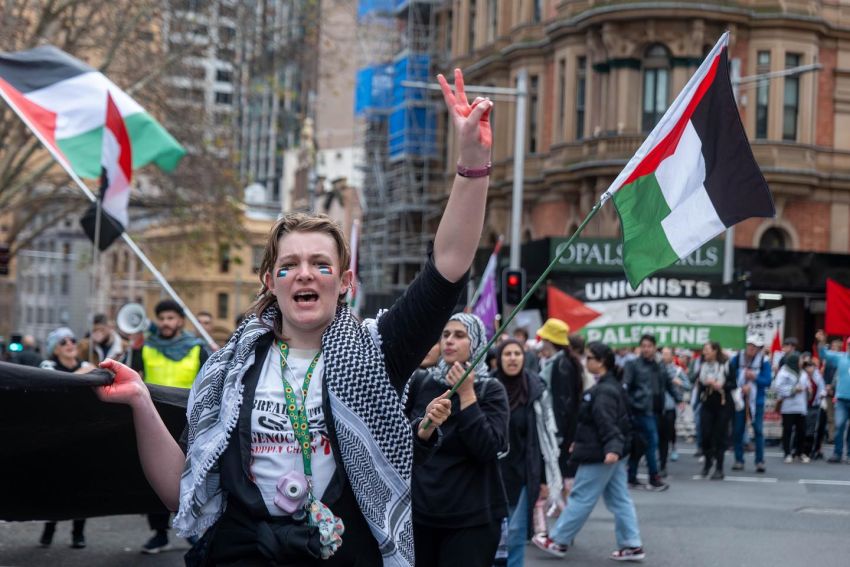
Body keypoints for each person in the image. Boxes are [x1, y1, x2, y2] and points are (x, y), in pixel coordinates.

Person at [94, 68, 492, 567]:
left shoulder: (376, 352)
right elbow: (181, 492)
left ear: (344, 282)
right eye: (290, 265)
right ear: (270, 281)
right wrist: (138, 402)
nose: (306, 275)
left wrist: (473, 164)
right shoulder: (229, 368)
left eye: (321, 264)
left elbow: (448, 265)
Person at [405, 313, 509, 567]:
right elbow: (406, 444)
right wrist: (425, 427)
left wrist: (466, 395)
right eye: (446, 335)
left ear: (476, 343)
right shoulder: (422, 382)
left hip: (472, 518)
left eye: (460, 335)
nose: (450, 341)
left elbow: (488, 448)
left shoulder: (490, 389)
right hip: (422, 514)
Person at [532, 342, 644, 562]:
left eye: (590, 357)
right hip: (608, 451)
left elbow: (607, 423)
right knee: (619, 499)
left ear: (600, 362)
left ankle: (558, 540)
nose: (586, 361)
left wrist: (611, 448)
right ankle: (632, 544)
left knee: (581, 497)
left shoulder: (603, 391)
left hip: (601, 453)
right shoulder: (610, 386)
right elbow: (606, 423)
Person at [129, 298, 209, 554]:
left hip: (189, 423)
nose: (166, 323)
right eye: (162, 318)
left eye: (171, 318)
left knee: (192, 480)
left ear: (180, 321)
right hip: (154, 422)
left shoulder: (198, 348)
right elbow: (132, 375)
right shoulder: (145, 348)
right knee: (154, 480)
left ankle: (193, 531)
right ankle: (159, 534)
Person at [493, 339, 561, 567]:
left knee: (515, 533)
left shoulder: (535, 390)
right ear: (499, 359)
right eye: (507, 354)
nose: (512, 358)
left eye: (517, 354)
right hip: (491, 474)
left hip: (523, 473)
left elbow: (542, 440)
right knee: (490, 536)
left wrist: (542, 479)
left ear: (524, 358)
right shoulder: (487, 387)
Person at [38, 327, 93, 549]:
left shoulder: (87, 367)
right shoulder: (47, 366)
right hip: (54, 437)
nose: (70, 344)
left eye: (72, 340)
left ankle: (78, 533)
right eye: (63, 342)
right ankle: (49, 528)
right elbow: (56, 382)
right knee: (54, 487)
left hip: (83, 435)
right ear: (54, 349)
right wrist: (86, 374)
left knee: (81, 487)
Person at [624, 334, 680, 490]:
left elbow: (668, 384)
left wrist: (679, 398)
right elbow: (625, 386)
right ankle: (653, 477)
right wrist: (630, 405)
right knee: (652, 442)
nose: (646, 349)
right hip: (640, 410)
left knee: (640, 445)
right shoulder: (633, 365)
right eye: (643, 346)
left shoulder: (659, 365)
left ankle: (632, 477)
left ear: (655, 348)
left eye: (649, 346)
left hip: (656, 410)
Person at [536, 318, 583, 490]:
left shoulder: (561, 365)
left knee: (559, 472)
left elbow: (563, 402)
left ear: (550, 341)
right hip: (558, 426)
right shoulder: (559, 362)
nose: (541, 343)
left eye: (544, 339)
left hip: (558, 429)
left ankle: (564, 510)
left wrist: (558, 433)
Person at [730, 336, 772, 473]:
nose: (751, 348)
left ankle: (759, 461)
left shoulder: (764, 361)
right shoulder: (737, 358)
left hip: (757, 401)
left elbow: (767, 381)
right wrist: (741, 384)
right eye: (749, 345)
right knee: (737, 430)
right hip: (740, 399)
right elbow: (730, 375)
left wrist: (755, 378)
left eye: (755, 346)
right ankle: (738, 460)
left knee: (758, 431)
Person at [697, 341, 734, 479]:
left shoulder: (726, 364)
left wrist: (721, 386)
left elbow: (733, 383)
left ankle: (719, 468)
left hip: (723, 403)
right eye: (704, 349)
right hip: (707, 402)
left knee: (720, 436)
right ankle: (707, 462)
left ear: (715, 351)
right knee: (705, 434)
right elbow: (699, 383)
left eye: (707, 350)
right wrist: (705, 383)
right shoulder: (703, 365)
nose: (704, 352)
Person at [816, 330, 850, 463]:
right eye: (849, 345)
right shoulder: (840, 357)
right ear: (846, 346)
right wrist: (822, 342)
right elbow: (824, 354)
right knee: (839, 425)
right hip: (841, 399)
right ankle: (837, 453)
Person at [775, 352, 811, 463]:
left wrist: (809, 390)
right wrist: (793, 390)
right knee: (787, 430)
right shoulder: (784, 372)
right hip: (788, 406)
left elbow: (807, 384)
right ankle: (787, 453)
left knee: (802, 430)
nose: (801, 362)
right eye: (800, 360)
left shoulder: (803, 373)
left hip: (800, 406)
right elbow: (778, 387)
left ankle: (799, 452)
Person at [658, 347, 688, 477]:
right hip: (656, 406)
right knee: (655, 435)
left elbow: (688, 385)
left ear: (672, 356)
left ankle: (669, 453)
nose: (664, 356)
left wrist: (679, 382)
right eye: (662, 354)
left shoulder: (677, 370)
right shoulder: (656, 368)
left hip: (670, 406)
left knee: (668, 433)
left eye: (667, 354)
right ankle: (656, 460)